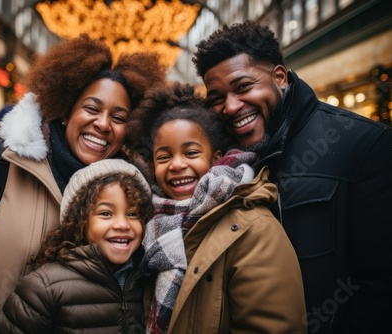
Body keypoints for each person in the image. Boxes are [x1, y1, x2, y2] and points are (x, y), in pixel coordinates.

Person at [0, 34, 167, 334]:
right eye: (91, 108)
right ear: (65, 110)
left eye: (118, 116)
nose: (103, 123)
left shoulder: (131, 198)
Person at [192, 21, 392, 333]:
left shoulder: (365, 144)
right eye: (217, 97)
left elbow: (381, 285)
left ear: (279, 77)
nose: (230, 107)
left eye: (243, 87)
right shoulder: (223, 163)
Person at [126, 82, 306, 333]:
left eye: (190, 153)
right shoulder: (149, 227)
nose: (176, 165)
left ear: (216, 158)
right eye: (164, 157)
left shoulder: (254, 228)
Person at [0, 159, 153, 333]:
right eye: (106, 213)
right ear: (79, 222)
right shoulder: (44, 287)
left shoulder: (148, 278)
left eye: (132, 214)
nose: (122, 224)